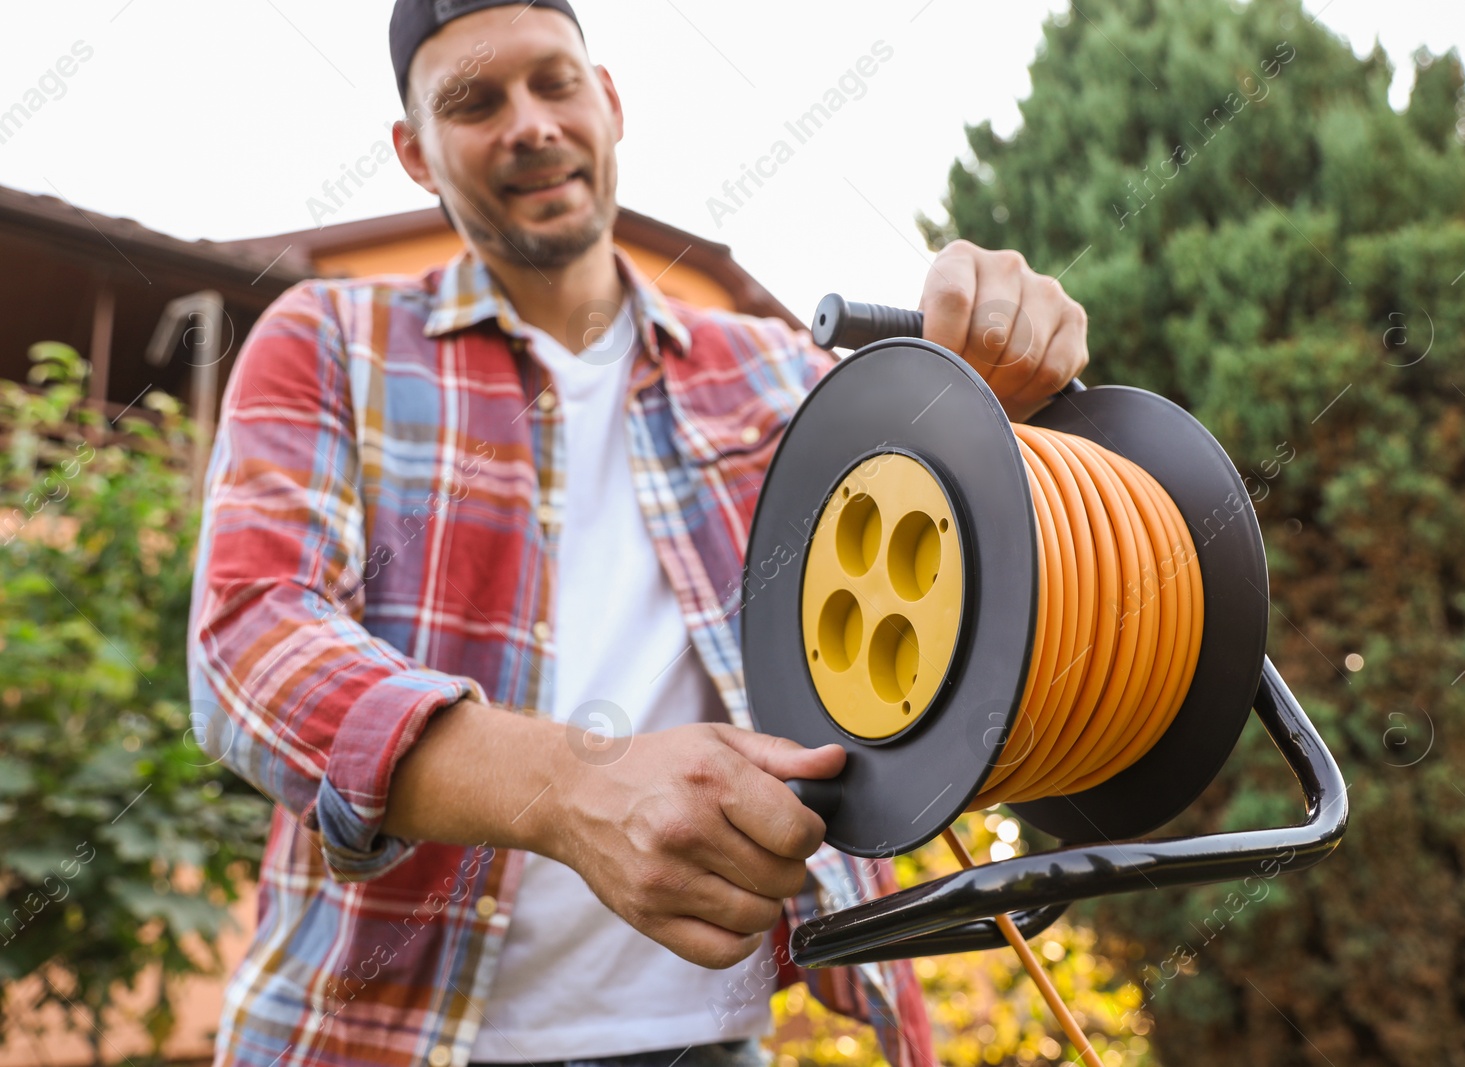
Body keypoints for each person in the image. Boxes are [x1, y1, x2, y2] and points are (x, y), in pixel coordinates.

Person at [187, 3, 1090, 1066]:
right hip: (373, 1037)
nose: (528, 124)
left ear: (609, 103)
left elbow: (965, 565)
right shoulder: (330, 340)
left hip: (707, 1043)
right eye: (474, 102)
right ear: (413, 153)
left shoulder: (777, 373)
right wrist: (569, 787)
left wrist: (1003, 381)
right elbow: (251, 642)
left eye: (554, 82)